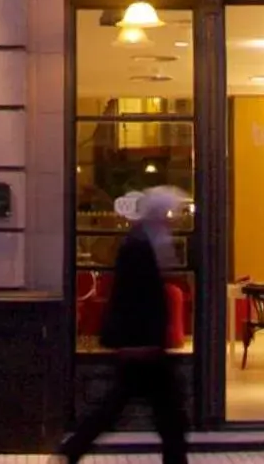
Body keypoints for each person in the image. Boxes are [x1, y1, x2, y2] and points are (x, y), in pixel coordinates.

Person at [60, 186, 190, 464]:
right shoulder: (141, 244)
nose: (173, 218)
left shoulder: (147, 240)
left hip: (144, 345)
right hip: (142, 346)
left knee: (129, 408)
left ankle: (73, 449)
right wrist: (139, 342)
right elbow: (133, 296)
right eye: (169, 212)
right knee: (162, 414)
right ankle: (72, 449)